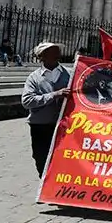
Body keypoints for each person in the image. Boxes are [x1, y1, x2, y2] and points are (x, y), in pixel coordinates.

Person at [21, 42, 71, 177]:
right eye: (52, 52)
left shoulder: (70, 74)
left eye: (57, 51)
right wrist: (54, 95)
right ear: (41, 57)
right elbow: (27, 101)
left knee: (64, 156)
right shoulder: (34, 78)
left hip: (65, 125)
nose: (57, 55)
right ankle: (44, 183)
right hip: (41, 125)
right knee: (40, 156)